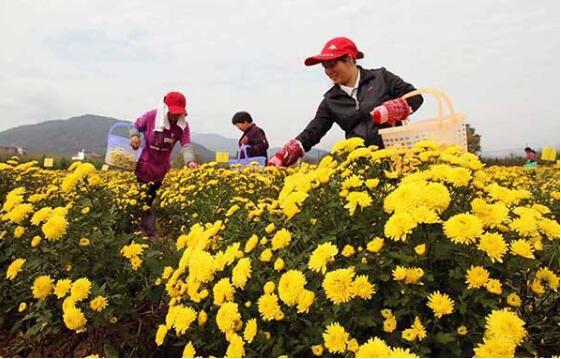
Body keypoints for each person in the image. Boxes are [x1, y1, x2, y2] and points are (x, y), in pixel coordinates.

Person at [269, 37, 424, 167]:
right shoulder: (331, 100)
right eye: (325, 66)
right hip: (362, 165)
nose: (328, 71)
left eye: (332, 64)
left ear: (349, 59)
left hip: (397, 156)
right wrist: (287, 153)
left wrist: (395, 109)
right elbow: (313, 132)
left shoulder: (381, 77)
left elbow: (415, 97)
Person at [129, 91, 199, 237]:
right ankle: (140, 231)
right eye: (173, 112)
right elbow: (135, 125)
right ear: (165, 108)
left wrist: (190, 161)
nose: (175, 116)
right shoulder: (151, 117)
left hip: (160, 169)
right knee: (142, 199)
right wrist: (134, 136)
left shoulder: (183, 126)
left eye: (179, 113)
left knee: (150, 198)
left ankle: (145, 231)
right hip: (144, 165)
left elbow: (186, 145)